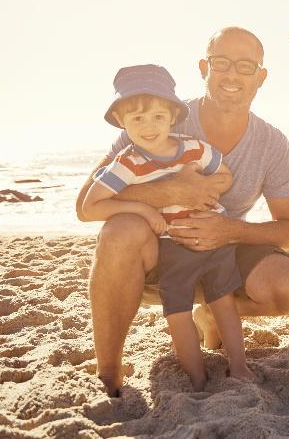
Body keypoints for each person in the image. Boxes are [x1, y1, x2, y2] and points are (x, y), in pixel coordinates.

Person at [76, 27, 289, 397]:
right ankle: (108, 369)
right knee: (119, 231)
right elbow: (85, 203)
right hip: (157, 253)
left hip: (223, 253)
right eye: (221, 63)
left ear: (261, 77)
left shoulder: (271, 142)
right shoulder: (154, 116)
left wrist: (228, 230)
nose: (232, 75)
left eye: (245, 66)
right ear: (204, 67)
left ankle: (213, 315)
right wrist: (166, 191)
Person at [81, 64, 254, 390]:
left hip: (213, 241)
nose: (149, 126)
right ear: (121, 122)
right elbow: (91, 206)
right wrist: (141, 208)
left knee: (224, 303)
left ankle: (240, 366)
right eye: (137, 119)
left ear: (173, 116)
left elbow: (225, 175)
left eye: (158, 117)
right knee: (177, 313)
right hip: (171, 249)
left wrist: (208, 189)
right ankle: (197, 377)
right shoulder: (126, 164)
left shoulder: (193, 148)